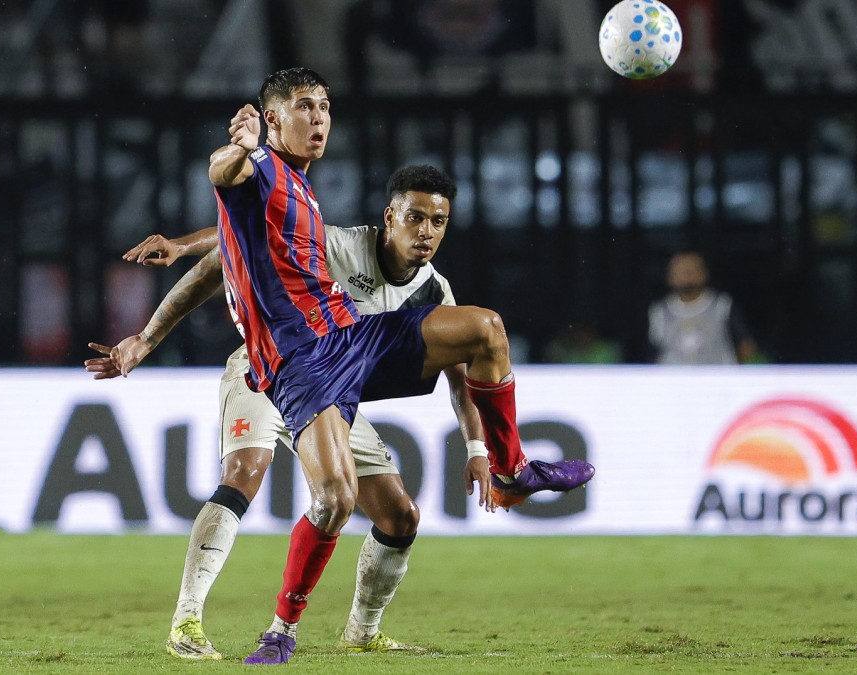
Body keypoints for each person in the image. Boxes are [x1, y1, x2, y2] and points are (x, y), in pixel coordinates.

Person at [106, 68, 592, 665]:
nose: (319, 118)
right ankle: (226, 624)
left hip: (351, 345)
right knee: (291, 487)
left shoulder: (310, 200)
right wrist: (240, 150)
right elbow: (222, 185)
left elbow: (242, 242)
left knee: (482, 332)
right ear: (275, 116)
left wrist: (476, 450)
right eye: (304, 106)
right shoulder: (264, 173)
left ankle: (510, 471)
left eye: (326, 107)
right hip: (288, 366)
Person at [88, 165, 492, 659]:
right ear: (391, 217)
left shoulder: (435, 292)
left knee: (401, 515)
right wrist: (177, 257)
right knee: (243, 474)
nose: (426, 232)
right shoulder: (341, 245)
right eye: (415, 217)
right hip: (265, 370)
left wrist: (476, 448)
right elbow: (241, 238)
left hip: (328, 394)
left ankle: (362, 633)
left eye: (438, 221)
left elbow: (462, 378)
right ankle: (185, 623)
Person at [648, 251, 759, 365]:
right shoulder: (659, 311)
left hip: (716, 378)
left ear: (704, 273)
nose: (686, 274)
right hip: (674, 379)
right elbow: (653, 353)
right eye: (681, 270)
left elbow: (746, 347)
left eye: (691, 270)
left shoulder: (722, 306)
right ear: (670, 276)